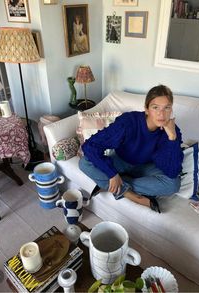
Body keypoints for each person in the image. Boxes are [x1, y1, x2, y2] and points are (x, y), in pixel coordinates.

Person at [79, 85, 184, 213]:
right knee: (84, 162)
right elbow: (90, 146)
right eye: (155, 107)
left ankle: (114, 184)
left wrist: (172, 137)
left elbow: (172, 172)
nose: (161, 114)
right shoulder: (129, 122)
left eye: (166, 108)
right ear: (146, 109)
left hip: (147, 166)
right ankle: (129, 194)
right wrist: (112, 173)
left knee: (173, 185)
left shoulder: (172, 131)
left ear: (171, 110)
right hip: (121, 160)